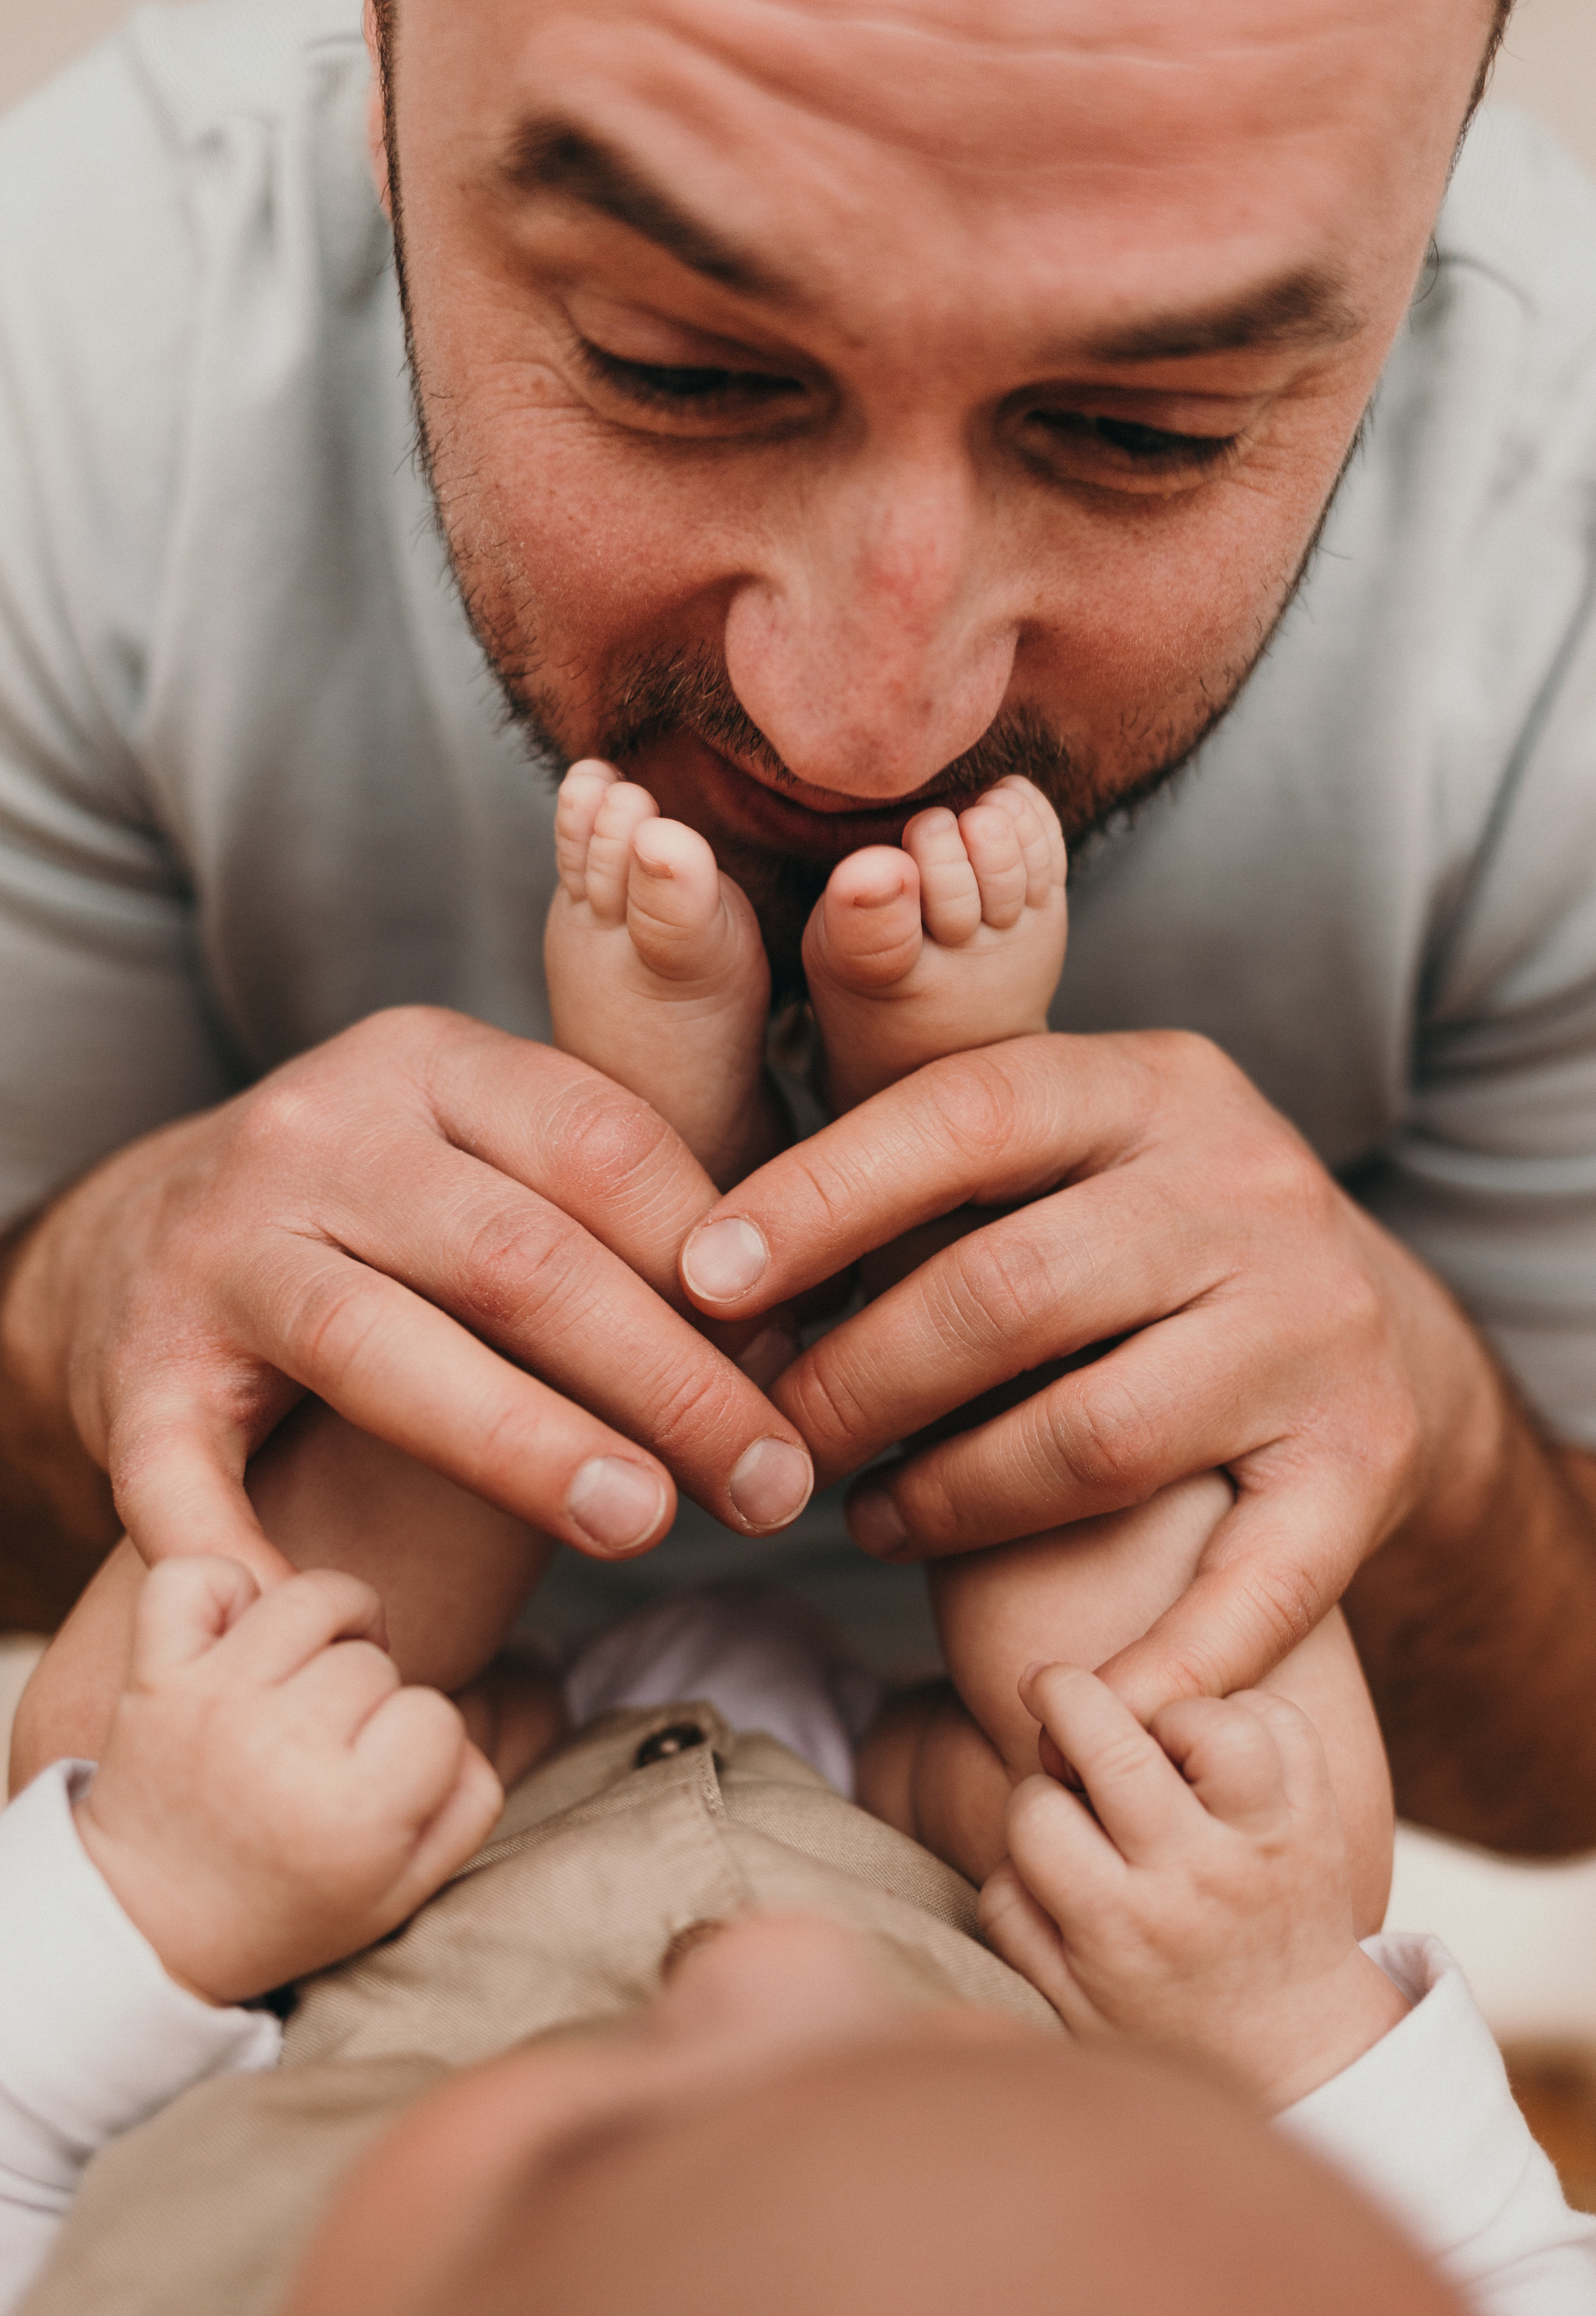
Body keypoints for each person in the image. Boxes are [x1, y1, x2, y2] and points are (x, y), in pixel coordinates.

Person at [4, 0, 1596, 1855]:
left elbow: (1566, 1777)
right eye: (678, 368)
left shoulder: (1557, 554)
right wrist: (86, 1308)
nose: (866, 719)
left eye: (1141, 433)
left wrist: (1440, 1448)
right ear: (377, 68)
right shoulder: (67, 353)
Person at [1, 1547, 1589, 2315]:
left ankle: (585, 1174)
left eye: (588, 2154)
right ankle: (974, 1177)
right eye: (953, 2091)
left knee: (170, 1685)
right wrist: (1283, 2027)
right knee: (1222, 1794)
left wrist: (166, 1889)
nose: (777, 1965)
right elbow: (1510, 2274)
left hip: (381, 1847)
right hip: (987, 1871)